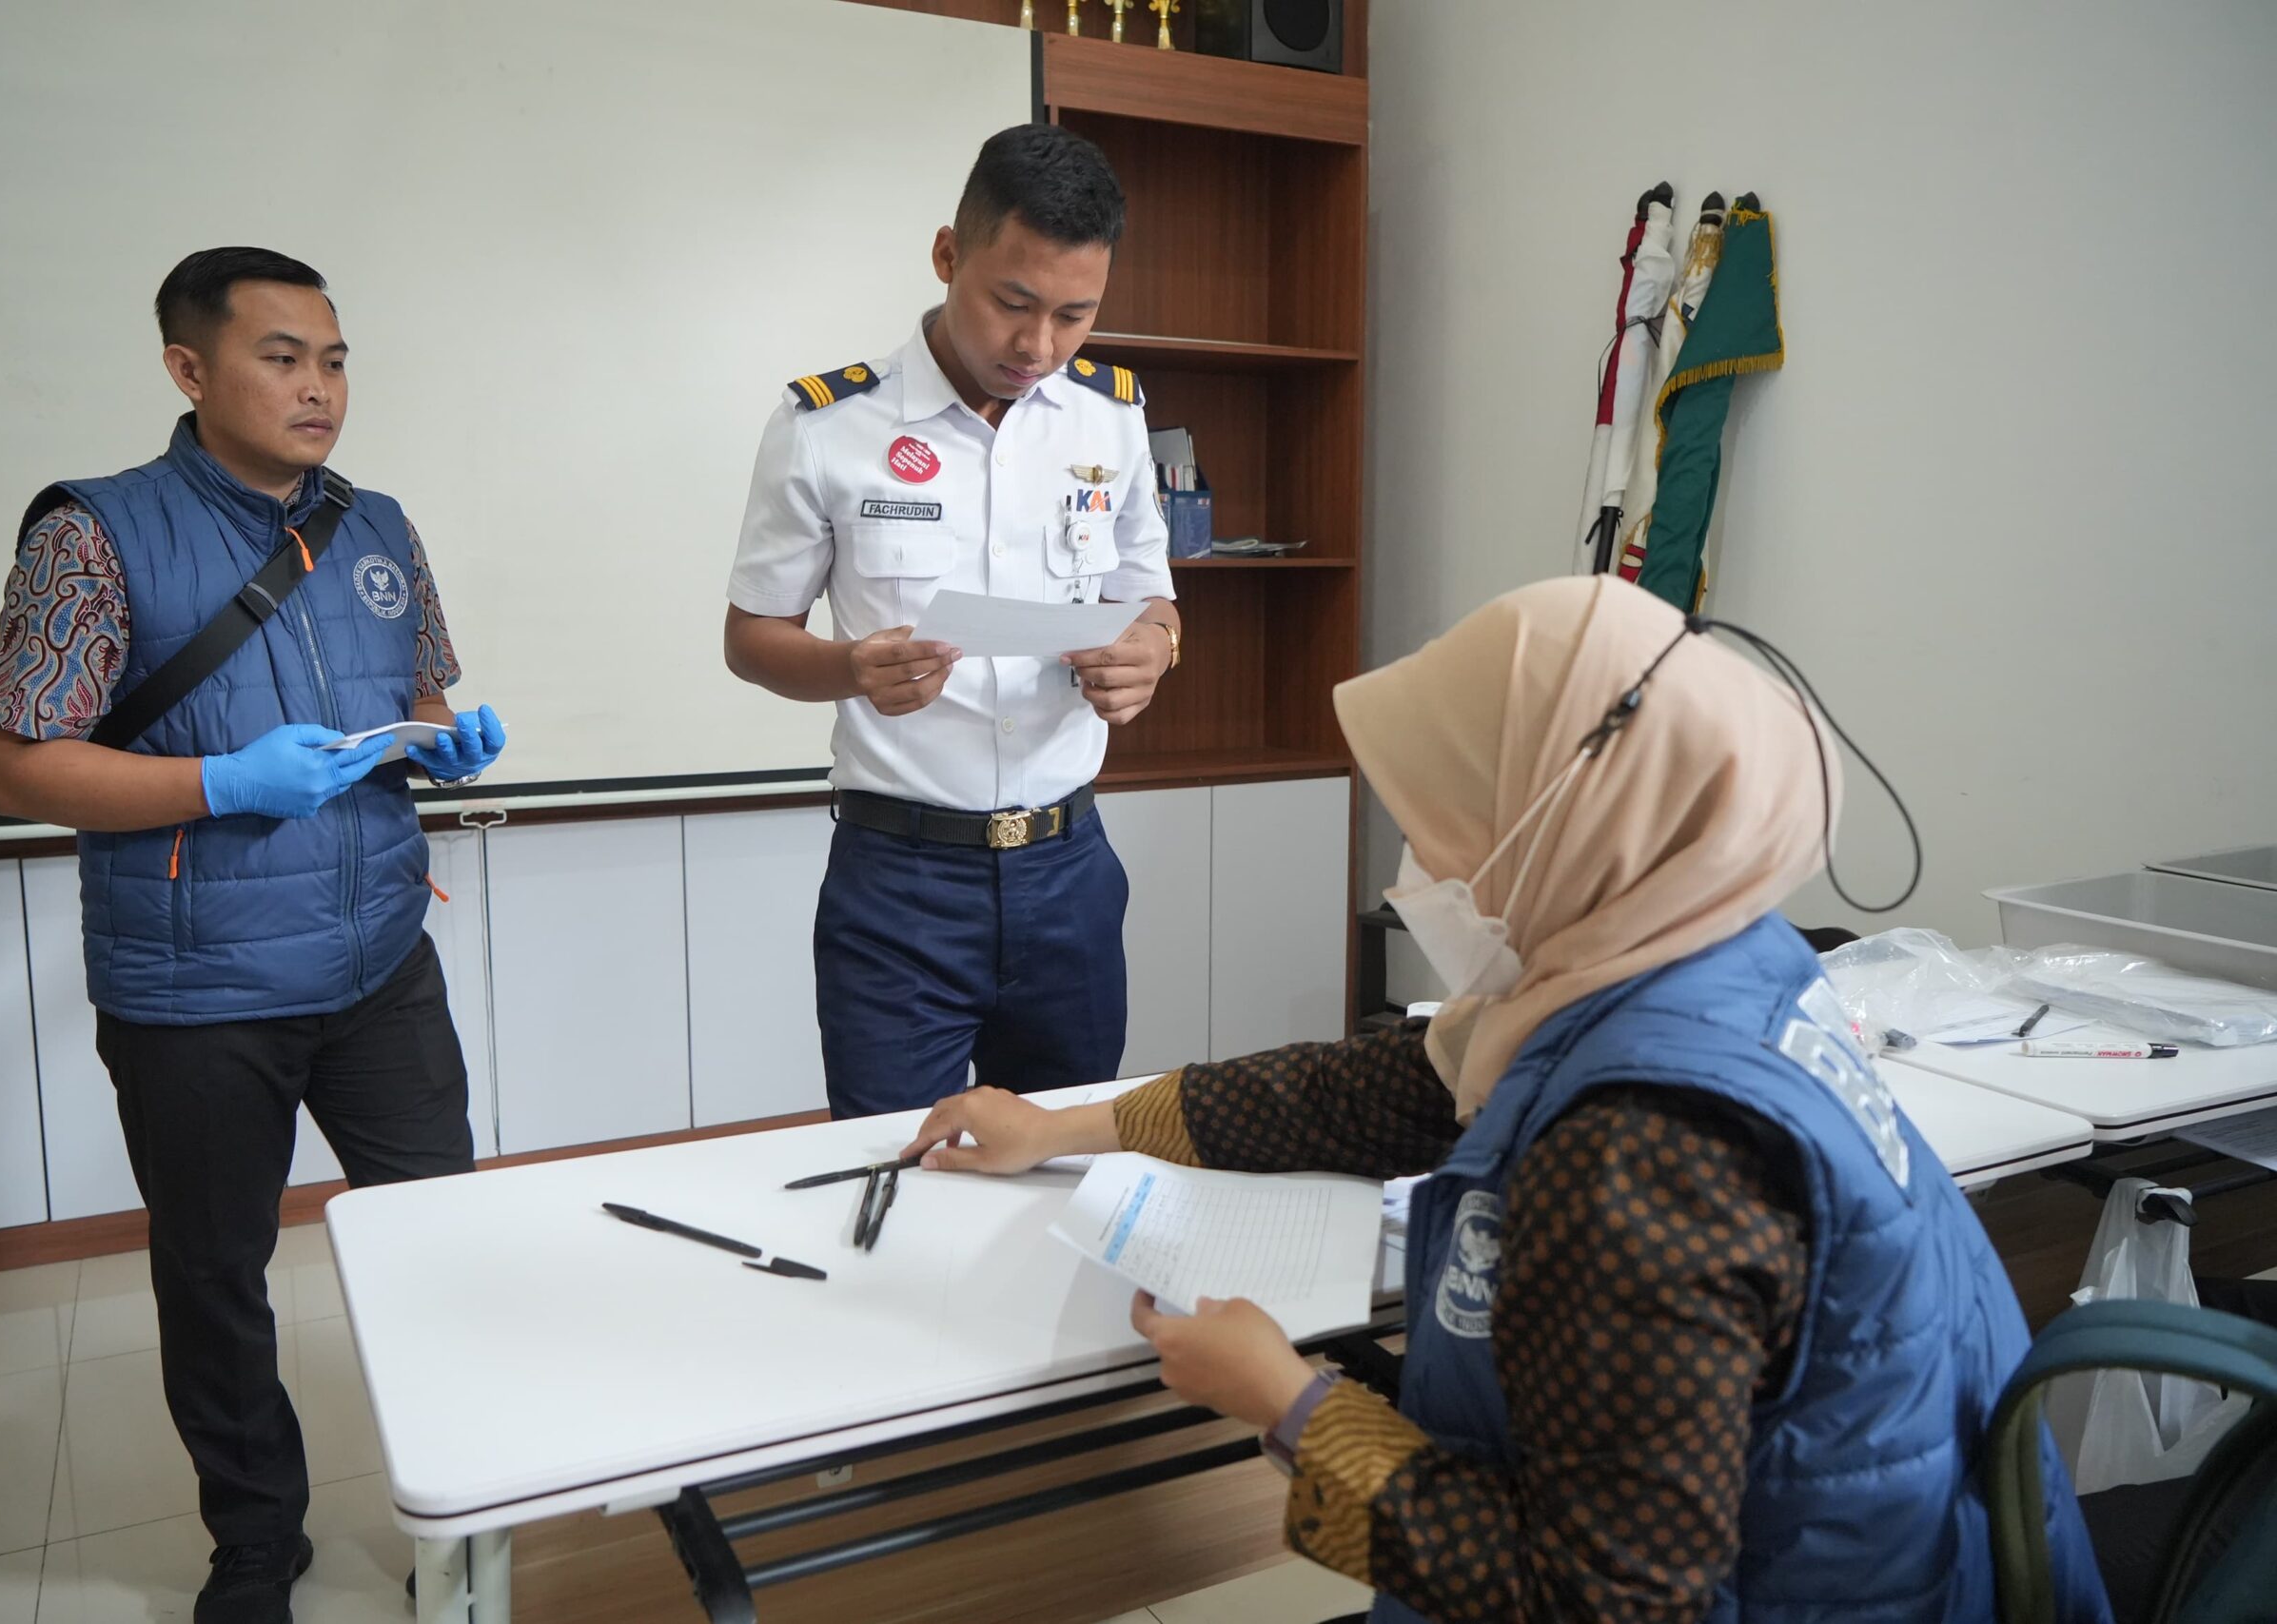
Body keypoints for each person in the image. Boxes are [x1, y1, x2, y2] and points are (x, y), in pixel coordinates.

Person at [900, 577, 2111, 1622]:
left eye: (1447, 824)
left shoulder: (1642, 1153)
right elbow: (1377, 1090)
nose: (1417, 871)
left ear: (1568, 822)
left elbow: (1600, 1600)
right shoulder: (1707, 948)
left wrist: (1287, 1400)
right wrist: (1068, 1125)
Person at [0, 247, 506, 1624]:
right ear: (189, 369)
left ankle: (464, 1521)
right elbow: (13, 765)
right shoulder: (94, 533)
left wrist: (443, 740)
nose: (318, 387)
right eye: (281, 358)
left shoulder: (376, 524)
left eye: (333, 360)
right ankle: (257, 1540)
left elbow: (420, 692)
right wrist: (219, 782)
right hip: (194, 988)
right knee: (216, 1277)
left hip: (381, 959)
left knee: (441, 1240)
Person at [723, 124, 1181, 1121]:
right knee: (899, 1164)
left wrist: (1153, 647)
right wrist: (852, 667)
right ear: (946, 255)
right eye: (1012, 303)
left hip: (1070, 870)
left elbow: (1150, 593)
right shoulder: (827, 427)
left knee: (1067, 1158)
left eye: (1074, 315)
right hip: (901, 884)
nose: (1039, 346)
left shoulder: (1108, 417)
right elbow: (751, 638)